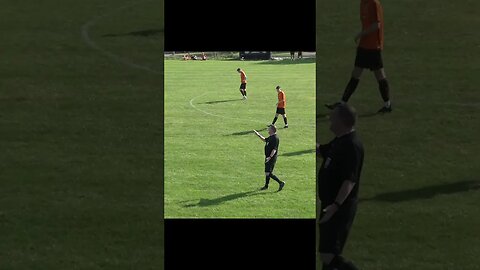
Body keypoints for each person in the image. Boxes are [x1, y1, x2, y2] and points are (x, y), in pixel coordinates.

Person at [317, 103, 364, 270]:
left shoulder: (352, 146)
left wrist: (335, 207)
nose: (329, 119)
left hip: (339, 207)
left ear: (342, 121)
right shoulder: (339, 141)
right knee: (326, 255)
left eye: (333, 117)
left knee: (329, 255)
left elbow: (349, 181)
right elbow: (321, 151)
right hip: (329, 205)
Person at [325, 0, 392, 113]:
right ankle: (342, 103)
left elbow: (377, 25)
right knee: (355, 74)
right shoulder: (363, 3)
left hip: (373, 47)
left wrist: (361, 34)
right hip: (363, 46)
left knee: (379, 75)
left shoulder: (374, 3)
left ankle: (387, 105)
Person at [253, 125, 285, 191]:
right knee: (267, 172)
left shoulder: (275, 138)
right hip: (268, 157)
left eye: (269, 129)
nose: (268, 130)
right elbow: (265, 140)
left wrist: (270, 157)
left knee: (268, 173)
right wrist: (258, 135)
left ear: (272, 130)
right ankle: (266, 186)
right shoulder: (271, 137)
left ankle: (280, 182)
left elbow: (274, 149)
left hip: (271, 157)